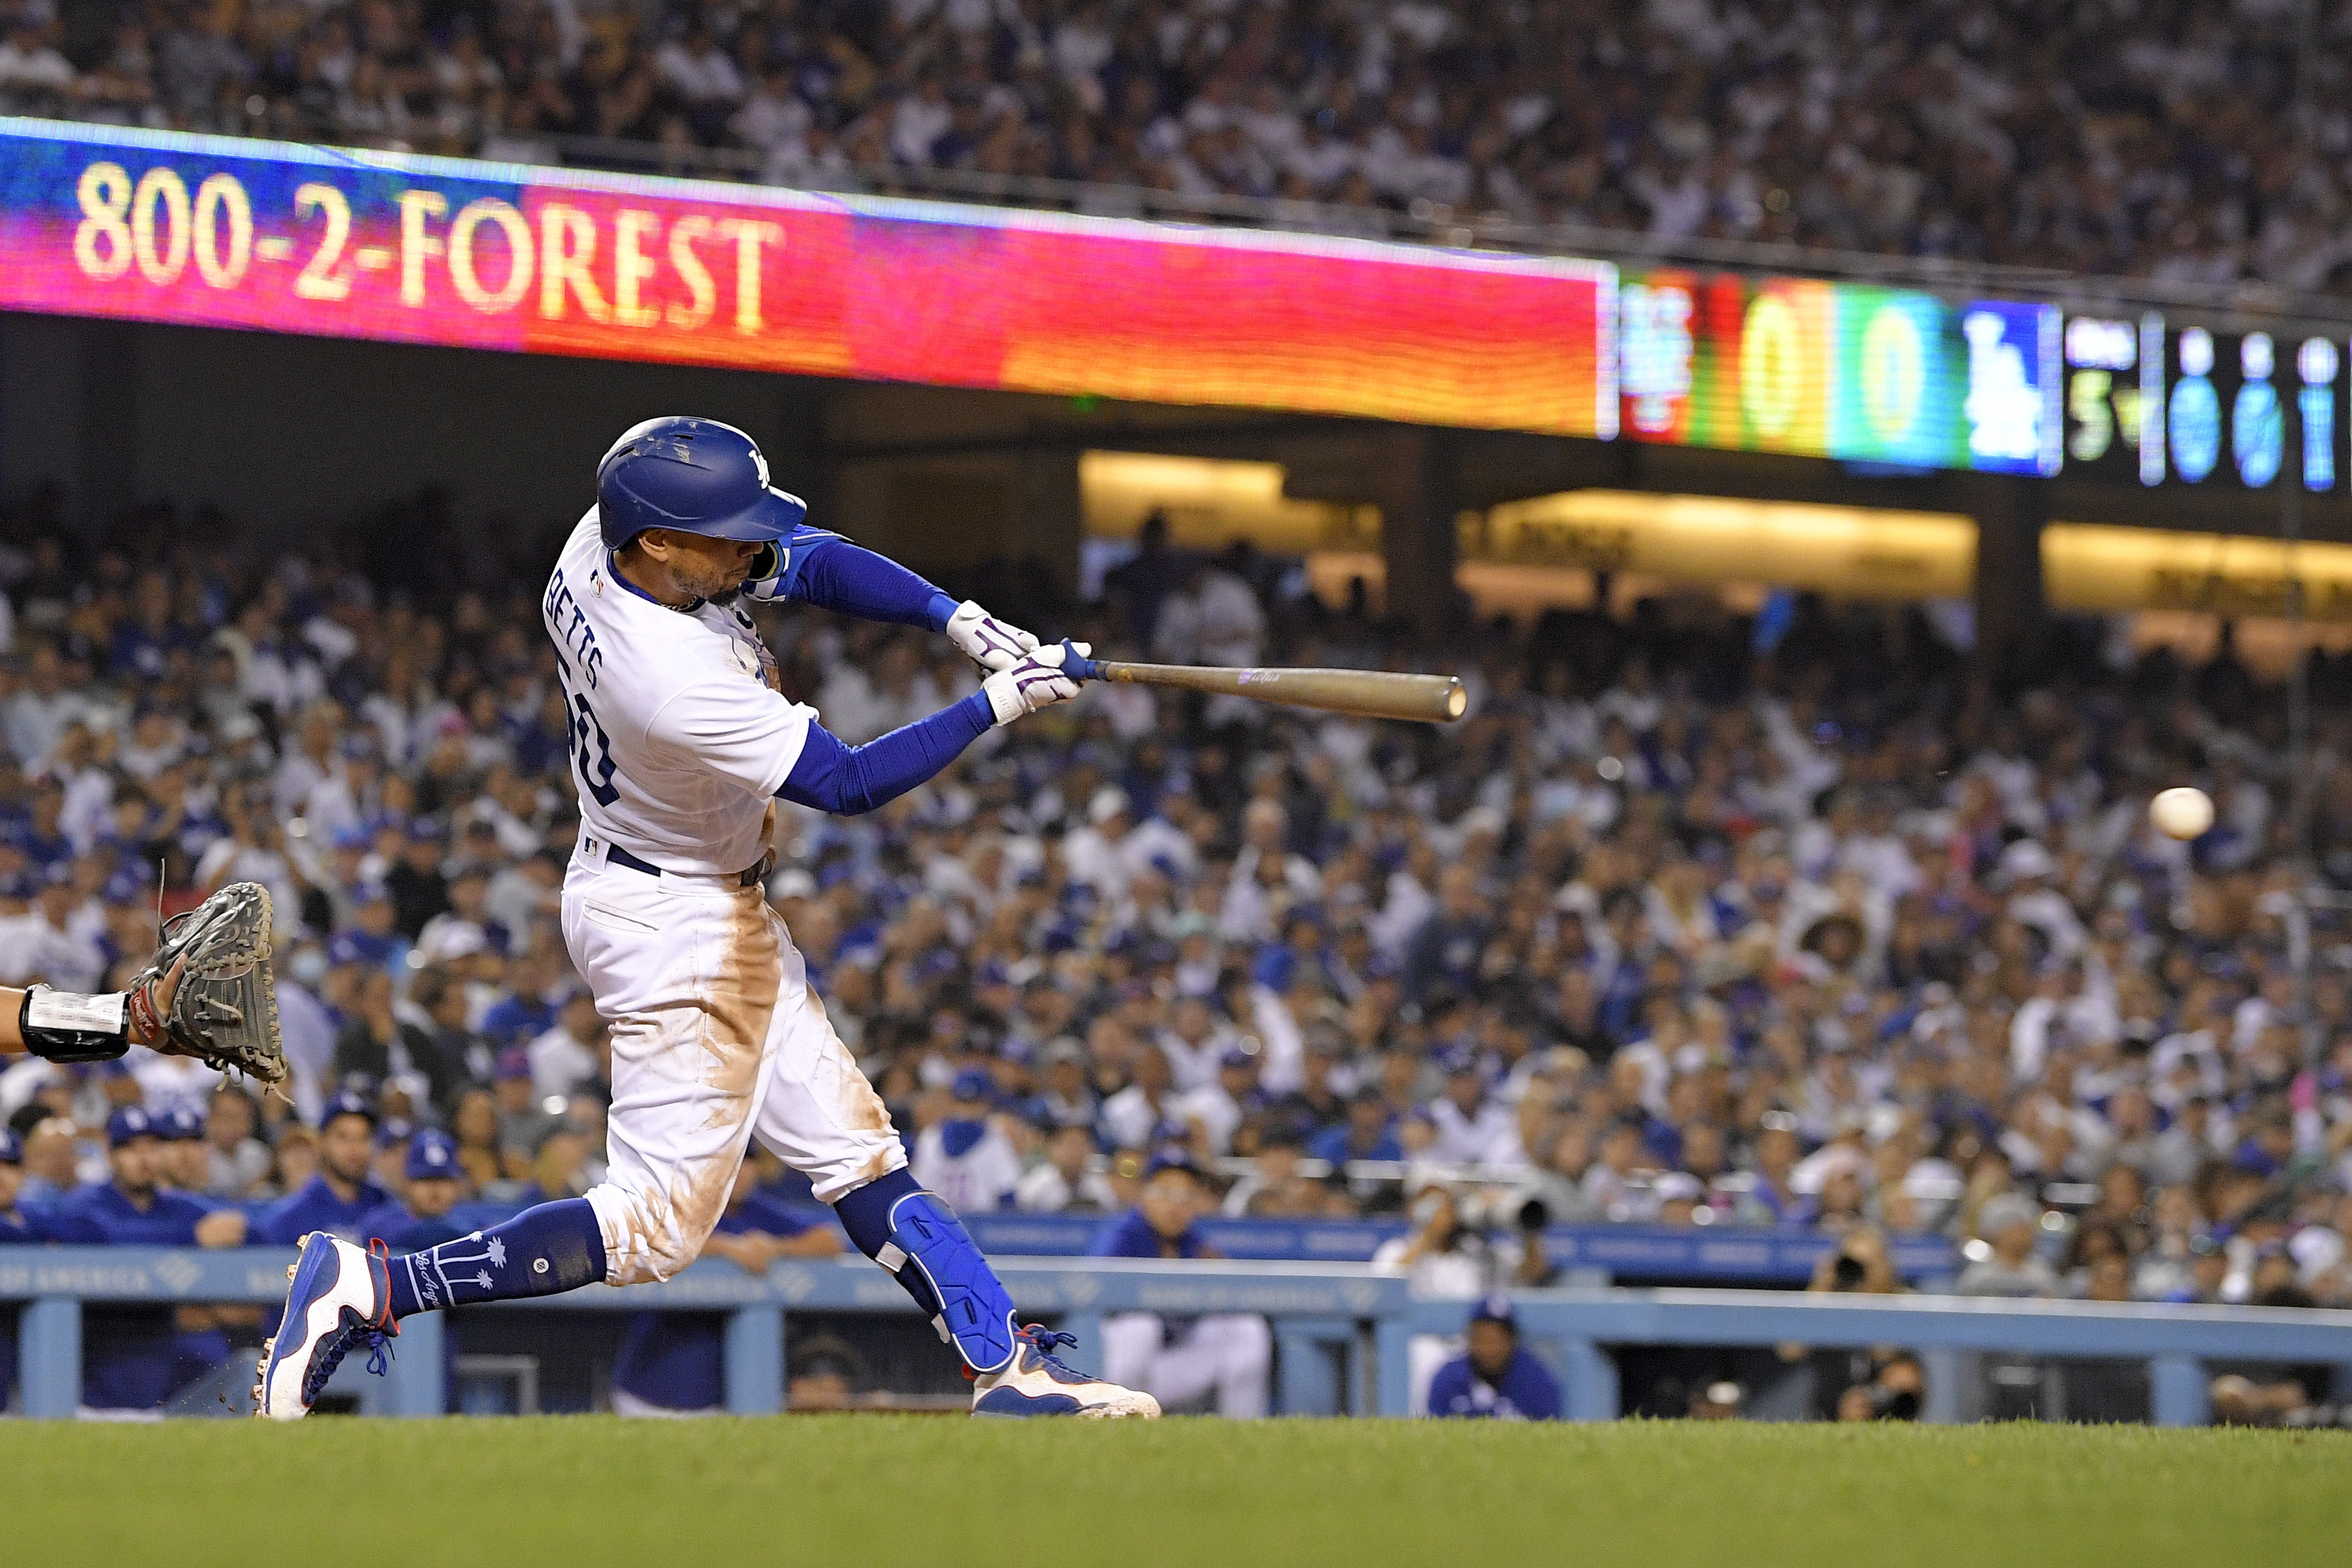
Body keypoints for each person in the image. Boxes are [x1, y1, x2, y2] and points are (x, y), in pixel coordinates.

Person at [259, 417, 1156, 1419]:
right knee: (652, 1228)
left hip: (683, 889)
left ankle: (1009, 1370)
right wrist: (1001, 702)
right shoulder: (666, 677)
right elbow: (848, 781)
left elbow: (801, 561)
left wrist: (951, 617)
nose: (747, 550)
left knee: (856, 1151)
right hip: (672, 918)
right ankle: (374, 1288)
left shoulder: (605, 543)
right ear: (656, 544)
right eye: (722, 535)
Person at [47, 1106, 249, 1414]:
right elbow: (112, 1243)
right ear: (111, 1154)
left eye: (152, 1148)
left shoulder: (179, 1208)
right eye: (131, 1149)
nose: (144, 1159)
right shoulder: (85, 1206)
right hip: (96, 1387)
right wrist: (192, 1241)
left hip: (164, 1386)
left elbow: (248, 1229)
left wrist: (235, 1224)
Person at [610, 1153, 846, 1416]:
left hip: (719, 1395)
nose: (741, 1171)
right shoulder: (680, 1202)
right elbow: (647, 1239)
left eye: (748, 1162)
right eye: (733, 1161)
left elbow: (831, 1240)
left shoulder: (757, 1210)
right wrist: (727, 1247)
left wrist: (776, 1247)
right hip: (650, 1385)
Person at [1091, 1151, 1271, 1417]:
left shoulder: (1195, 1243)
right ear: (1143, 1195)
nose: (1174, 1205)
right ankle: (1120, 1423)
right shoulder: (1122, 1237)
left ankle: (1243, 1433)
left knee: (1247, 1328)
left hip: (1168, 1365)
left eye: (1185, 1196)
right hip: (1107, 1371)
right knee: (1141, 1327)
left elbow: (1236, 1290)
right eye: (1165, 1192)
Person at [253, 1092, 392, 1245]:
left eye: (363, 1138)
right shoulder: (297, 1213)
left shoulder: (385, 1204)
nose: (354, 1148)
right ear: (322, 1143)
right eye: (343, 1137)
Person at [1425, 1295, 1561, 1420]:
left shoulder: (1537, 1380)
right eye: (1482, 1339)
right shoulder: (1449, 1378)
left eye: (1496, 1340)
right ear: (1470, 1339)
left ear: (1512, 1340)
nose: (1489, 1348)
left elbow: (1551, 1430)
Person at [356, 1130, 474, 1252]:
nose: (435, 1189)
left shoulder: (472, 1218)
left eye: (443, 1179)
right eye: (424, 1179)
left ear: (457, 1185)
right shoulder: (378, 1224)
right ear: (406, 1182)